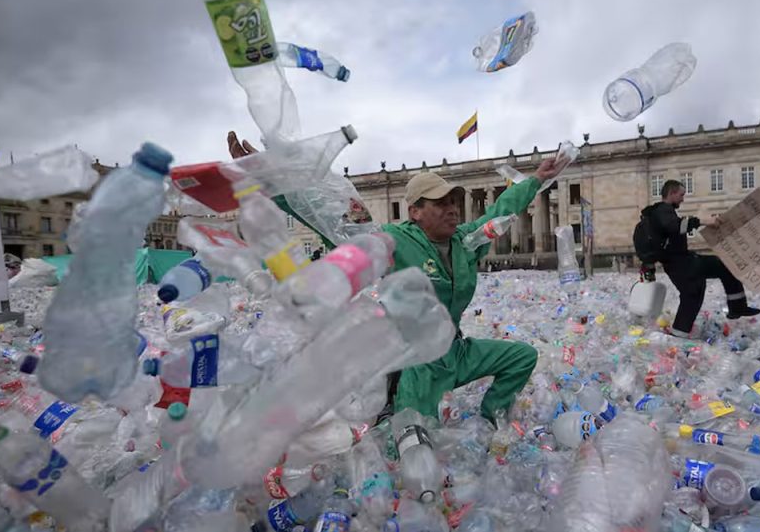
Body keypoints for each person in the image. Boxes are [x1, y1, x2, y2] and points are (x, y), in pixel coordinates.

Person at [227, 131, 565, 425]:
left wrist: (535, 179)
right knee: (415, 437)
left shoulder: (466, 240)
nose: (452, 209)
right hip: (417, 359)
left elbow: (499, 211)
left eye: (454, 202)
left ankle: (493, 420)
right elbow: (328, 222)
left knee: (522, 356)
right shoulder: (393, 240)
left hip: (455, 351)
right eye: (440, 203)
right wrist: (270, 183)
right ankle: (396, 409)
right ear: (415, 211)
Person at [645, 179, 760, 338]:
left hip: (683, 262)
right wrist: (704, 221)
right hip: (680, 264)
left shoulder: (663, 212)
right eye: (681, 195)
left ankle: (737, 307)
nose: (683, 199)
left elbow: (675, 227)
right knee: (692, 296)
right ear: (671, 194)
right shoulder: (663, 210)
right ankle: (679, 335)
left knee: (719, 269)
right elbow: (676, 226)